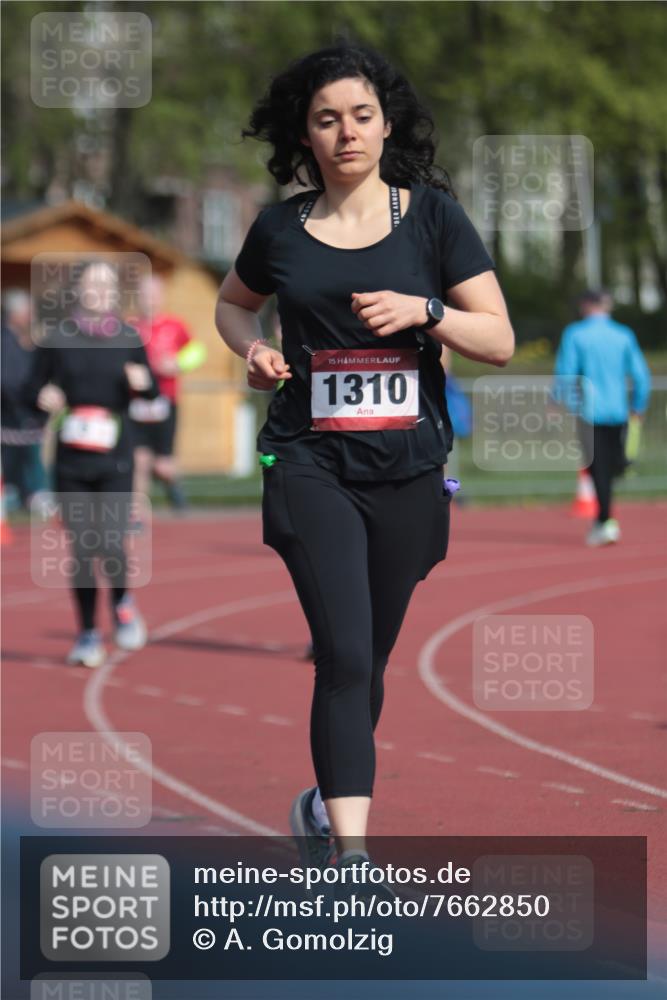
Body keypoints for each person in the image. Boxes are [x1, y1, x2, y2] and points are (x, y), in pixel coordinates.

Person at [215, 44, 514, 881]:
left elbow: (497, 338)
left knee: (369, 657)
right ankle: (351, 855)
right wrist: (252, 347)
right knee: (343, 653)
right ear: (302, 136)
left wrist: (426, 311)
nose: (344, 132)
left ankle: (318, 805)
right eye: (324, 119)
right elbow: (232, 304)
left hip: (409, 466)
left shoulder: (431, 218)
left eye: (359, 115)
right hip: (310, 460)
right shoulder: (279, 228)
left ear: (385, 124)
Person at [23, 261, 158, 667]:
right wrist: (43, 397)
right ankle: (86, 634)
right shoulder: (57, 338)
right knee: (83, 549)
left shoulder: (129, 337)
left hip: (115, 455)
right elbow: (31, 389)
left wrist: (143, 383)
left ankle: (122, 602)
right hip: (71, 458)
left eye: (107, 284)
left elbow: (149, 390)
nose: (100, 290)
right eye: (92, 283)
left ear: (116, 294)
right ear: (77, 290)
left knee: (113, 542)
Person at [554, 289, 651, 546]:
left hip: (589, 411)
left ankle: (605, 521)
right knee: (608, 466)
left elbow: (566, 371)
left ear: (586, 305)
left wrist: (557, 400)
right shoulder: (623, 334)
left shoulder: (576, 333)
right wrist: (638, 404)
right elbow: (641, 375)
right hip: (618, 410)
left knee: (598, 468)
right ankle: (605, 518)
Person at [129, 274, 206, 514]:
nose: (149, 300)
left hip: (165, 401)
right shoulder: (129, 327)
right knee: (138, 461)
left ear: (161, 297)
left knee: (163, 465)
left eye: (153, 295)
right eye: (144, 295)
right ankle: (136, 514)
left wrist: (177, 363)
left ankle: (175, 489)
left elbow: (197, 351)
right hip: (135, 403)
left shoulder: (174, 325)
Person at [1, 290, 48, 510]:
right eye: (28, 312)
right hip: (12, 416)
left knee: (31, 459)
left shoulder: (28, 342)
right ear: (15, 314)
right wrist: (31, 401)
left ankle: (32, 494)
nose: (32, 317)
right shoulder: (5, 343)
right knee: (13, 462)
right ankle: (20, 494)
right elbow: (9, 382)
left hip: (28, 416)